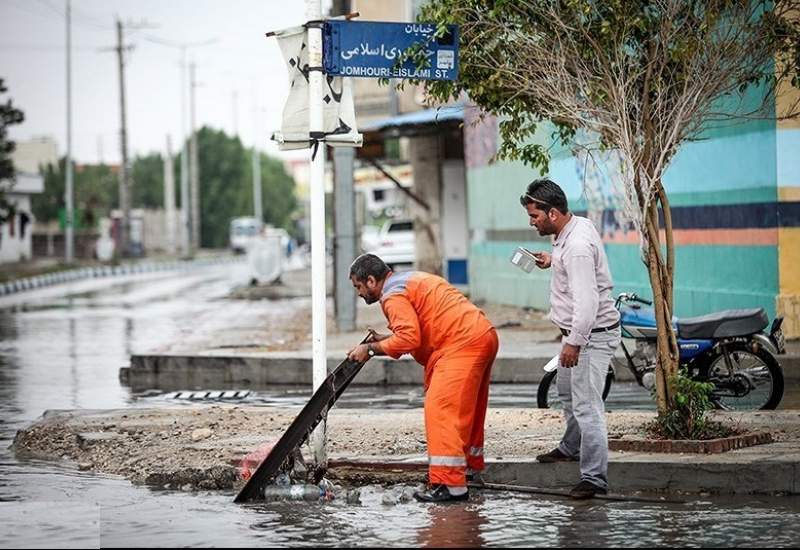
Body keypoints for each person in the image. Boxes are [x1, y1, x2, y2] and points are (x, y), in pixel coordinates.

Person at [347, 254, 498, 503]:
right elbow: (421, 325)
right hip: (481, 335)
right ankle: (468, 472)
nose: (359, 293)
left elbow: (409, 338)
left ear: (371, 281)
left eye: (358, 287)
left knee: (440, 410)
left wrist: (371, 349)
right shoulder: (408, 280)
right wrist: (384, 338)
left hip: (460, 344)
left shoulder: (391, 296)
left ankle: (451, 486)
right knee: (468, 411)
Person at [520, 178, 621, 499]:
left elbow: (587, 301)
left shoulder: (575, 247)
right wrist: (552, 260)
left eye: (534, 216)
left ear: (552, 214)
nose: (531, 222)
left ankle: (594, 478)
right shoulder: (574, 229)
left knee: (588, 406)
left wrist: (574, 343)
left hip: (589, 338)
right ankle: (570, 446)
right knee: (565, 391)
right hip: (577, 335)